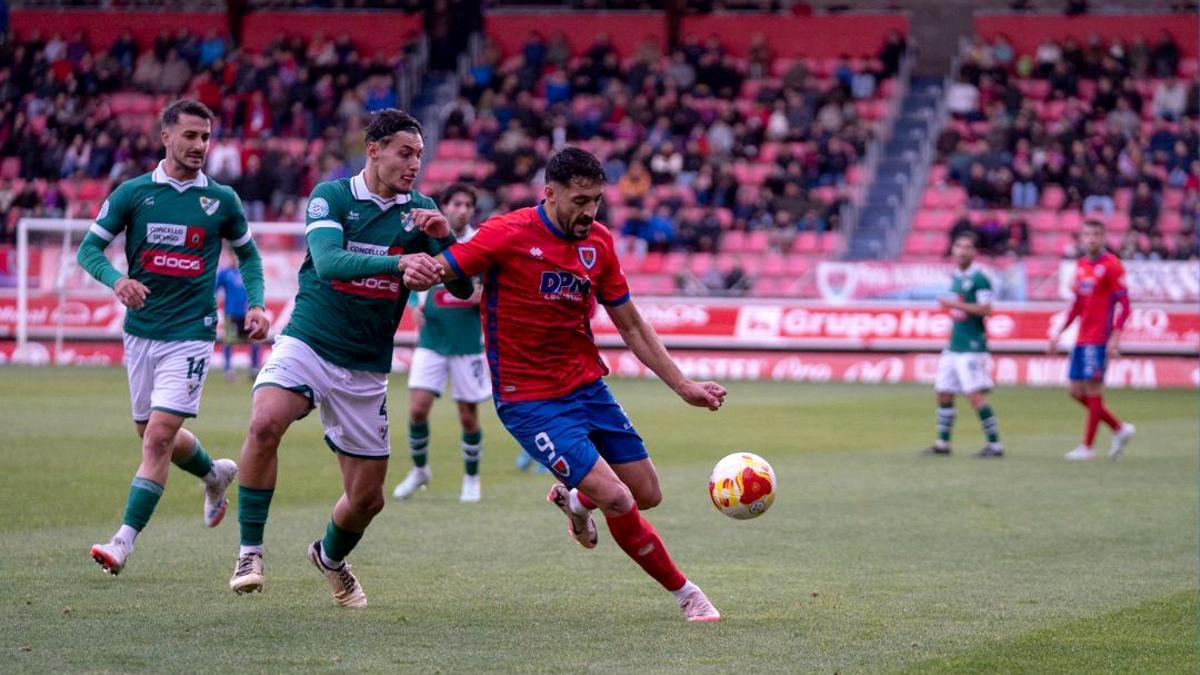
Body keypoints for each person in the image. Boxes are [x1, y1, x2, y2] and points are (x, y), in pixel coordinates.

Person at [415, 148, 727, 622]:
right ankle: (688, 595)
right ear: (550, 193)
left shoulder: (598, 243)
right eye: (579, 200)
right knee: (619, 498)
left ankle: (575, 499)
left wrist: (684, 386)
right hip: (530, 401)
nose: (589, 212)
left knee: (646, 493)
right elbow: (445, 272)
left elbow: (633, 326)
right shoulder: (507, 232)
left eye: (596, 200)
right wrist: (435, 245)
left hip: (587, 387)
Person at [227, 109, 472, 608]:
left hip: (365, 366)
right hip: (309, 342)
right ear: (374, 149)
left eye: (419, 156)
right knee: (264, 422)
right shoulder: (331, 196)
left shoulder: (421, 210)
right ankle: (249, 552)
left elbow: (464, 285)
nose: (413, 165)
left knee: (367, 499)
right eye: (405, 153)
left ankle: (330, 558)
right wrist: (401, 261)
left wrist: (444, 238)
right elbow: (332, 262)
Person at [76, 99, 269, 575]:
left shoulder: (222, 199)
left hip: (192, 333)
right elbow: (89, 249)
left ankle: (122, 542)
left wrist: (259, 303)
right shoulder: (133, 194)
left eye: (206, 137)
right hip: (141, 334)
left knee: (158, 437)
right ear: (165, 136)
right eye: (190, 136)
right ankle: (213, 473)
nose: (200, 145)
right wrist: (117, 281)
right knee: (152, 433)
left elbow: (249, 257)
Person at [392, 183, 490, 503]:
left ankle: (472, 478)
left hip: (466, 341)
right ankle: (420, 470)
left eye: (467, 204)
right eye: (456, 203)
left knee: (467, 415)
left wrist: (483, 298)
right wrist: (413, 307)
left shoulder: (481, 243)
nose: (461, 210)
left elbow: (493, 287)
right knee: (418, 409)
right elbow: (408, 277)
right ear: (444, 207)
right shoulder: (428, 239)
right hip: (432, 339)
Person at [1048, 218, 1136, 461]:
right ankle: (1119, 428)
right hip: (1082, 337)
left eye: (1097, 234)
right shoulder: (1081, 265)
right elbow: (1077, 305)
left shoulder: (1112, 265)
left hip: (1100, 337)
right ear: (1082, 237)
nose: (1092, 239)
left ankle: (1087, 447)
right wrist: (1060, 332)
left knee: (1094, 389)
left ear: (1104, 237)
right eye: (1087, 234)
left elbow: (1126, 305)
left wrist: (1115, 338)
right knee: (1075, 391)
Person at [923, 233, 1004, 458]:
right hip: (954, 346)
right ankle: (943, 443)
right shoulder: (956, 277)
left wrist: (953, 304)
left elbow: (986, 309)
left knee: (974, 396)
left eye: (966, 247)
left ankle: (995, 444)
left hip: (972, 347)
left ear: (974, 252)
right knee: (943, 392)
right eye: (958, 246)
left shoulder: (980, 278)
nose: (961, 251)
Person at [215, 248, 262, 382]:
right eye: (233, 256)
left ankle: (254, 369)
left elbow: (255, 290)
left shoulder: (247, 272)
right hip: (231, 314)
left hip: (247, 314)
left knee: (255, 339)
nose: (235, 258)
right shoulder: (225, 273)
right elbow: (215, 290)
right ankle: (228, 370)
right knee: (229, 341)